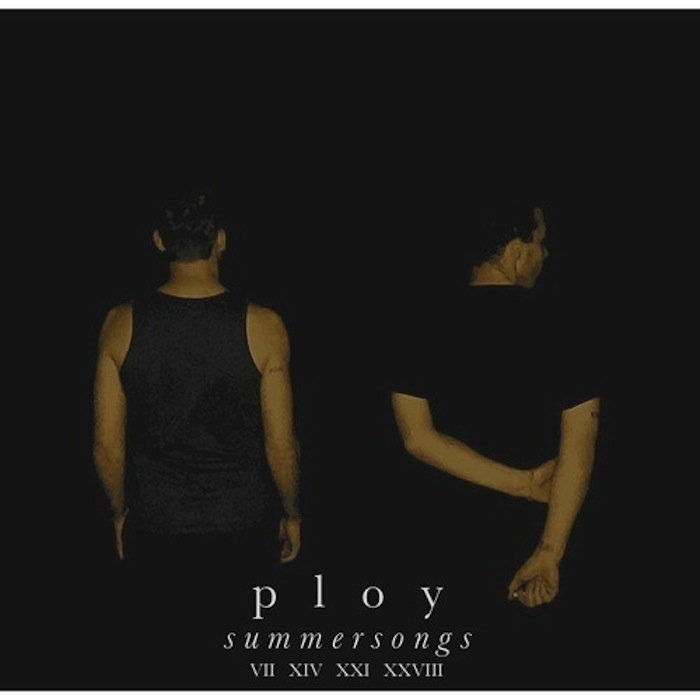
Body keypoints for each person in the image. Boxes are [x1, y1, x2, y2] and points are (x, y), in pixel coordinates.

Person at [391, 203, 600, 609]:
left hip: (437, 536)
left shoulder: (417, 322)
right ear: (516, 252)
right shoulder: (568, 326)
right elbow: (579, 449)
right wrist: (549, 551)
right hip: (531, 536)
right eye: (540, 242)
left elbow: (417, 438)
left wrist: (522, 484)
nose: (546, 253)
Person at [93, 192, 300, 583]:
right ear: (221, 239)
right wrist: (292, 512)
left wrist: (119, 513)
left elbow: (106, 445)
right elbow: (281, 444)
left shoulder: (119, 324)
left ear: (159, 240)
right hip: (244, 523)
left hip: (156, 524)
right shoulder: (264, 326)